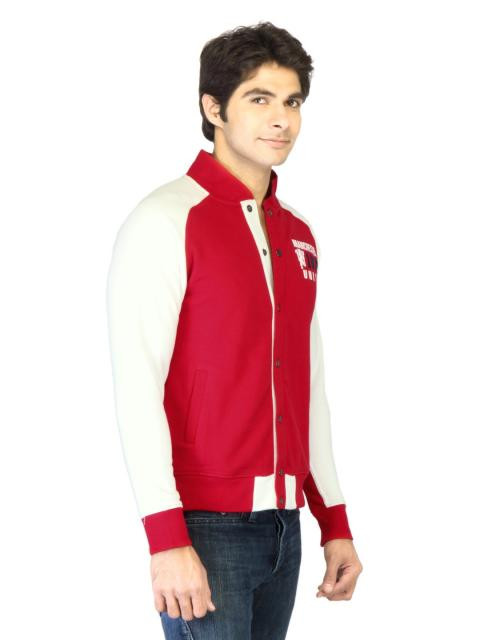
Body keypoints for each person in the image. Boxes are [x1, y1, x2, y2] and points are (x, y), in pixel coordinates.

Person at [106, 20, 363, 640]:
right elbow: (138, 388)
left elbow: (308, 387)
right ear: (213, 108)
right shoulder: (166, 219)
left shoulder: (298, 233)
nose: (281, 120)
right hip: (203, 528)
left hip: (285, 526)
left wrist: (333, 522)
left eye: (292, 102)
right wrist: (166, 538)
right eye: (259, 99)